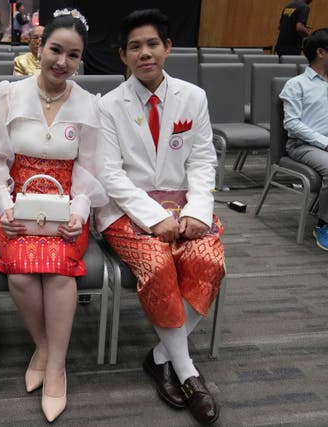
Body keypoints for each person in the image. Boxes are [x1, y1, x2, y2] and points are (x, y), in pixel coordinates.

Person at [0, 10, 106, 423]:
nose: (61, 62)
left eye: (72, 55)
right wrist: (5, 203)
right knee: (21, 274)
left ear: (80, 58)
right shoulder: (8, 95)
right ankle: (45, 346)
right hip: (19, 205)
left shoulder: (88, 104)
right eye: (55, 50)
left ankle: (55, 367)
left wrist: (80, 212)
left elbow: (91, 166)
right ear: (39, 46)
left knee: (61, 272)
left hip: (65, 206)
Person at [95, 9, 224, 425]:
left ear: (168, 48)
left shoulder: (193, 97)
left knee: (208, 260)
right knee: (158, 264)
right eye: (135, 47)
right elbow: (110, 173)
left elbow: (203, 159)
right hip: (127, 208)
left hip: (186, 206)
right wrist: (153, 218)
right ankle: (187, 371)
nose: (145, 53)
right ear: (123, 55)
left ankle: (160, 356)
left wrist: (198, 210)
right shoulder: (108, 105)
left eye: (153, 44)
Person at [280, 28, 328, 250]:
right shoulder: (297, 84)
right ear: (321, 52)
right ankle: (324, 224)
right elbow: (292, 124)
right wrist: (324, 142)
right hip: (303, 145)